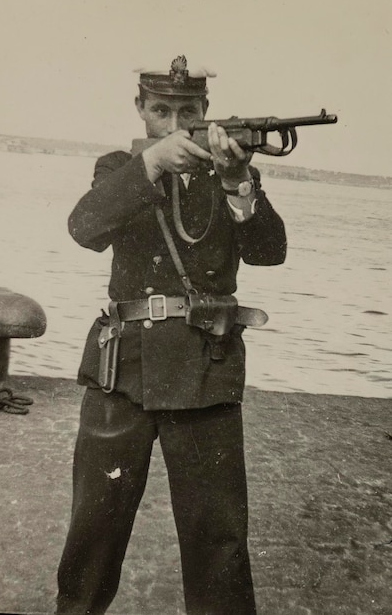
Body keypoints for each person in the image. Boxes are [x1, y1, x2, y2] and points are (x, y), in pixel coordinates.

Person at [56, 54, 287, 615]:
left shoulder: (231, 172)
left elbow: (269, 252)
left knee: (217, 538)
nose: (175, 121)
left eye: (188, 110)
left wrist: (238, 185)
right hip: (121, 371)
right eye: (161, 110)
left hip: (204, 369)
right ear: (141, 110)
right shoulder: (119, 166)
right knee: (94, 529)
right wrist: (152, 164)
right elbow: (85, 228)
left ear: (207, 113)